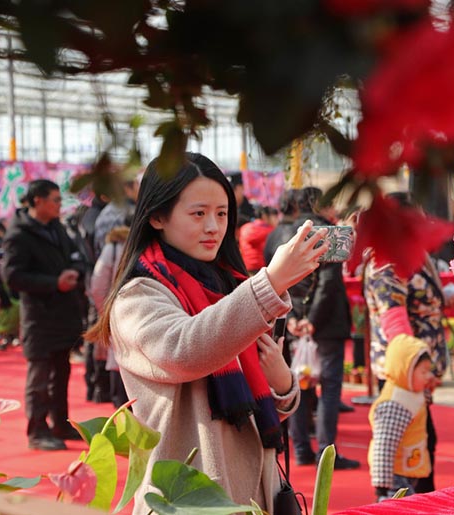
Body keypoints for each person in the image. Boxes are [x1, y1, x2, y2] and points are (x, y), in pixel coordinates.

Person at [84, 152, 326, 515]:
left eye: (222, 213)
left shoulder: (230, 285)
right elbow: (185, 351)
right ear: (157, 216)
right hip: (187, 497)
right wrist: (270, 283)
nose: (214, 226)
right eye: (199, 213)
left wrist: (281, 382)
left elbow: (253, 408)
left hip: (256, 494)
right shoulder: (138, 295)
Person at [363, 191, 448, 493]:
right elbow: (394, 321)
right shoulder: (387, 261)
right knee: (407, 443)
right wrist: (417, 369)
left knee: (422, 442)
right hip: (405, 375)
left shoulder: (406, 253)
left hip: (414, 371)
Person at [1, 179, 88, 451]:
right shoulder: (19, 233)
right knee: (39, 375)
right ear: (38, 200)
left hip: (63, 314)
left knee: (61, 373)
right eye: (55, 200)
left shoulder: (56, 228)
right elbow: (13, 276)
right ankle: (37, 430)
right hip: (38, 317)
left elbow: (77, 255)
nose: (60, 205)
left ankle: (60, 424)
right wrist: (54, 283)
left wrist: (75, 272)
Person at [286, 186, 359, 470]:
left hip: (294, 321)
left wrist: (292, 316)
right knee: (328, 389)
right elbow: (328, 283)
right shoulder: (326, 233)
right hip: (324, 324)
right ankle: (326, 454)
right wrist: (312, 320)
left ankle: (302, 449)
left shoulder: (280, 232)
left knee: (299, 385)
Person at [369, 334, 434, 501]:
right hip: (395, 475)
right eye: (423, 371)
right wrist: (382, 484)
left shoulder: (410, 391)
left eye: (429, 370)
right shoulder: (395, 403)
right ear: (405, 372)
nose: (428, 376)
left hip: (407, 467)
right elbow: (384, 446)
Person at [89, 220, 131, 407]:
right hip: (145, 316)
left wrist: (105, 312)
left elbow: (98, 284)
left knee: (118, 360)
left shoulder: (113, 247)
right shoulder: (149, 245)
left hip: (117, 314)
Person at [239, 205, 279, 274]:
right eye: (275, 217)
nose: (277, 220)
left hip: (246, 267)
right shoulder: (271, 231)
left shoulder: (244, 228)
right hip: (263, 269)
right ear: (265, 216)